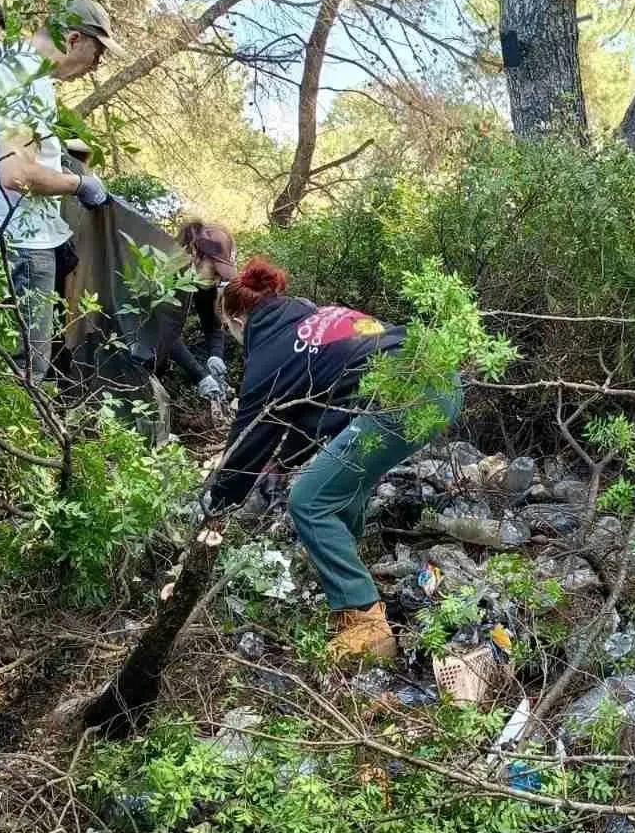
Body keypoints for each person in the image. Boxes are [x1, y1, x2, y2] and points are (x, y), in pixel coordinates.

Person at [203, 258, 463, 662]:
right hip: (441, 383)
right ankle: (352, 572)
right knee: (345, 480)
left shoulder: (268, 352)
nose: (232, 336)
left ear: (239, 319)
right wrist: (285, 461)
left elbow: (247, 443)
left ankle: (366, 620)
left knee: (308, 500)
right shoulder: (309, 319)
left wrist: (215, 502)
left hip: (404, 398)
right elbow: (318, 413)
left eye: (227, 329)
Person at [0, 0, 119, 382]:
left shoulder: (1, 66)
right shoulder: (22, 77)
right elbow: (16, 174)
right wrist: (79, 183)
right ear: (73, 39)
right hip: (21, 244)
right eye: (97, 55)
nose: (94, 68)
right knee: (25, 373)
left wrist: (60, 158)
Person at [176, 219, 237, 400]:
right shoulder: (167, 277)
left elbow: (212, 324)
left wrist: (216, 356)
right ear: (195, 254)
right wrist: (200, 376)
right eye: (216, 271)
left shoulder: (204, 282)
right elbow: (164, 333)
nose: (218, 280)